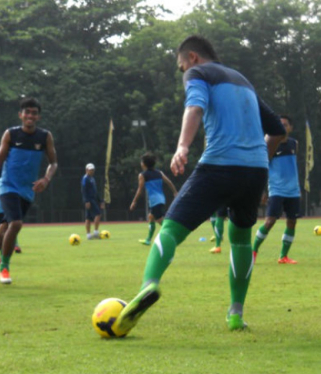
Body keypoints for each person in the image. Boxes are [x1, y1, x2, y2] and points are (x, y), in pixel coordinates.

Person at [116, 35, 285, 333]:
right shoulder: (243, 81)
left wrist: (182, 147)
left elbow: (194, 107)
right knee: (242, 239)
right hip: (255, 170)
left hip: (219, 165)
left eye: (181, 67)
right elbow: (276, 130)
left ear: (192, 58)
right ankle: (235, 314)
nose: (184, 73)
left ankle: (148, 286)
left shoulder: (198, 73)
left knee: (170, 227)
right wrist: (260, 159)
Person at [0, 97, 58, 285]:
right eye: (27, 112)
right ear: (21, 115)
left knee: (2, 233)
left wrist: (46, 179)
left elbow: (53, 162)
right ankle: (4, 267)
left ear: (38, 117)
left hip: (27, 191)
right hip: (7, 187)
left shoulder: (45, 136)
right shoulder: (11, 134)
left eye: (34, 113)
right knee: (15, 224)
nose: (30, 116)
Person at [252, 115, 301, 263]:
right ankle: (253, 251)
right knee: (270, 221)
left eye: (285, 125)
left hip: (293, 191)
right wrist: (264, 191)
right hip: (277, 190)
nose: (282, 127)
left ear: (290, 128)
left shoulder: (294, 144)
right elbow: (264, 167)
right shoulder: (271, 145)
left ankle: (283, 256)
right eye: (280, 125)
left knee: (292, 222)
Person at [129, 152, 177, 245]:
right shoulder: (159, 173)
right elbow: (169, 182)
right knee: (151, 217)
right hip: (161, 199)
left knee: (159, 220)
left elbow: (140, 190)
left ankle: (173, 235)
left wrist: (134, 201)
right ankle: (148, 240)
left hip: (155, 200)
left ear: (144, 164)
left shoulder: (142, 175)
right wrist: (175, 192)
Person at [82, 163, 105, 240]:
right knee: (98, 214)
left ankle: (88, 235)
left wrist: (100, 200)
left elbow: (95, 191)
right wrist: (86, 201)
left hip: (93, 199)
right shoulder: (85, 178)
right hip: (90, 200)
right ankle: (95, 233)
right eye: (90, 170)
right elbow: (84, 190)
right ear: (86, 170)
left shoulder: (92, 178)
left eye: (93, 170)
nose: (92, 171)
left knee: (88, 217)